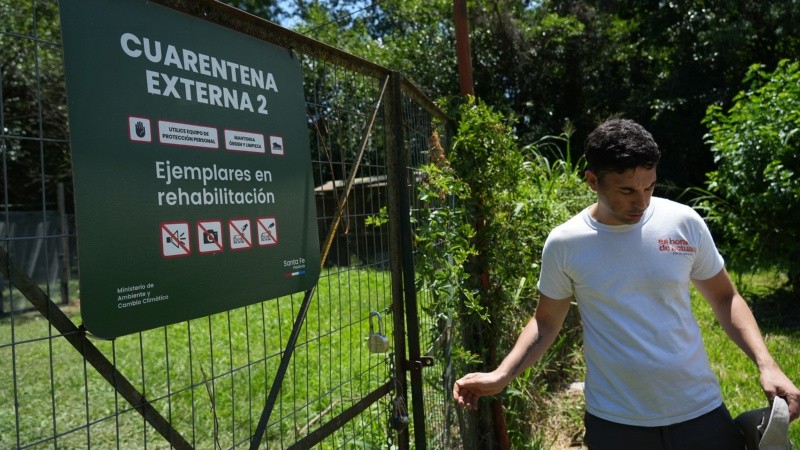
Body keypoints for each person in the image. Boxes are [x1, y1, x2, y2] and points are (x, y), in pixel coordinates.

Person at [452, 118, 799, 449]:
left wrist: (767, 364)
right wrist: (501, 376)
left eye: (650, 186)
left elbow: (725, 298)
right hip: (616, 423)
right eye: (627, 191)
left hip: (700, 411)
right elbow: (546, 321)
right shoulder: (566, 243)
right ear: (592, 180)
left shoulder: (682, 222)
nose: (642, 202)